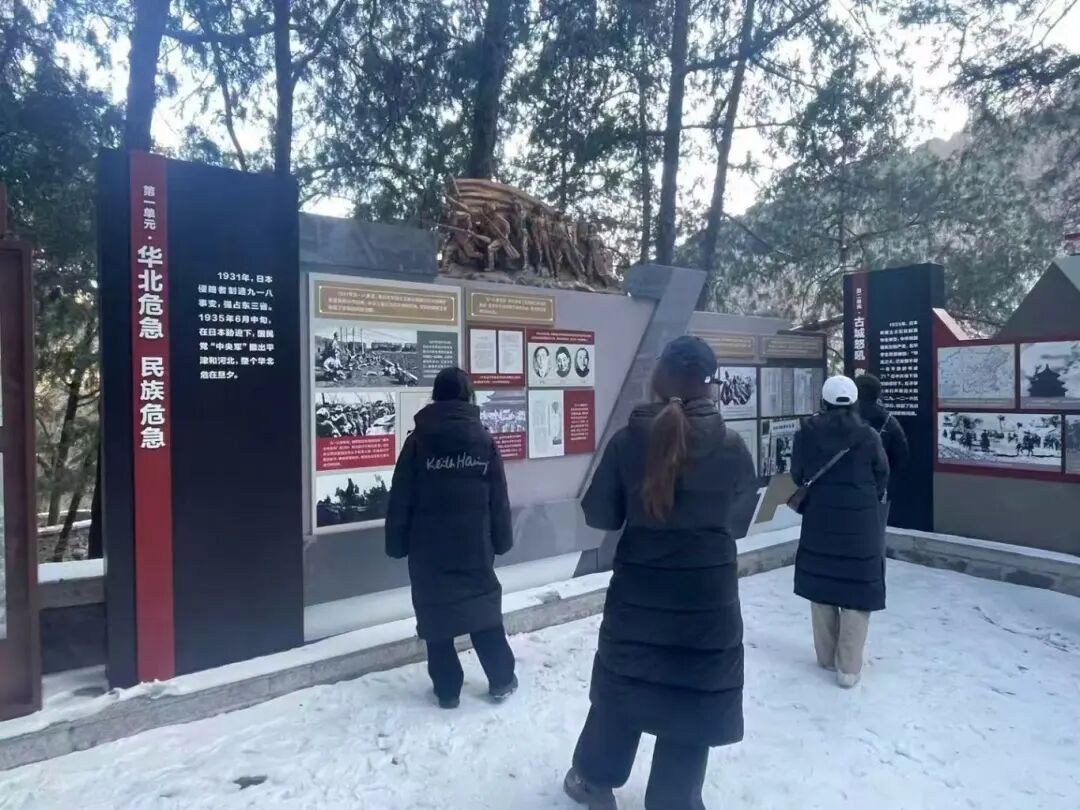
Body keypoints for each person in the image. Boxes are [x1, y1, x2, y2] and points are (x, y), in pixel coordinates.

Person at [563, 336, 757, 810]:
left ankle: (594, 781)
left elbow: (600, 514)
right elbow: (737, 524)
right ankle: (674, 800)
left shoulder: (628, 441)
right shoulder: (732, 447)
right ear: (710, 385)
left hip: (639, 595)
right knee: (693, 699)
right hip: (706, 601)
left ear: (660, 376)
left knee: (623, 687)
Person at [385, 367, 517, 709]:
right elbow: (498, 498)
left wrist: (396, 542)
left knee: (436, 616)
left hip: (428, 549)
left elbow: (401, 496)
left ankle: (447, 690)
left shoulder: (417, 442)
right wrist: (502, 540)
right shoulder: (483, 441)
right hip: (475, 546)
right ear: (467, 396)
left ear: (436, 396)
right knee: (483, 612)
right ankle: (502, 679)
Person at [792, 375, 889, 689]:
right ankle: (848, 668)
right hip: (861, 526)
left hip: (819, 520)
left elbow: (797, 475)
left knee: (822, 586)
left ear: (824, 401)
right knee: (857, 593)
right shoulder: (869, 436)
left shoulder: (806, 434)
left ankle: (825, 657)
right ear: (855, 402)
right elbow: (882, 474)